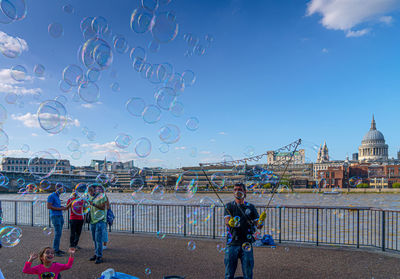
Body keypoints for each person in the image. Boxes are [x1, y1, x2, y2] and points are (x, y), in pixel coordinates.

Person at [224, 183, 266, 279]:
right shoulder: (229, 206)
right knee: (229, 274)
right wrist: (230, 222)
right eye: (235, 189)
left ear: (244, 192)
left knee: (248, 273)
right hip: (232, 243)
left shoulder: (251, 207)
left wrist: (262, 220)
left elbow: (259, 226)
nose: (237, 191)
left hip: (247, 243)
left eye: (239, 189)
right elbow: (227, 221)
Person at [88, 184, 107, 264]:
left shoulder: (102, 196)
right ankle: (96, 254)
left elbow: (104, 207)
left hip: (100, 220)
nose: (91, 192)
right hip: (93, 221)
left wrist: (93, 204)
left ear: (95, 190)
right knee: (94, 239)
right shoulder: (90, 197)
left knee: (98, 240)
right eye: (89, 191)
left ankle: (99, 256)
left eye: (92, 190)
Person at [47, 184, 67, 257]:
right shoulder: (51, 196)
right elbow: (49, 206)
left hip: (60, 216)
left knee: (59, 233)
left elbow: (57, 206)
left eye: (62, 189)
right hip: (55, 216)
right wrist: (61, 209)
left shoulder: (57, 196)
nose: (62, 190)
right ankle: (55, 250)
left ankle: (57, 249)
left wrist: (63, 207)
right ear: (57, 188)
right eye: (61, 189)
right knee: (57, 233)